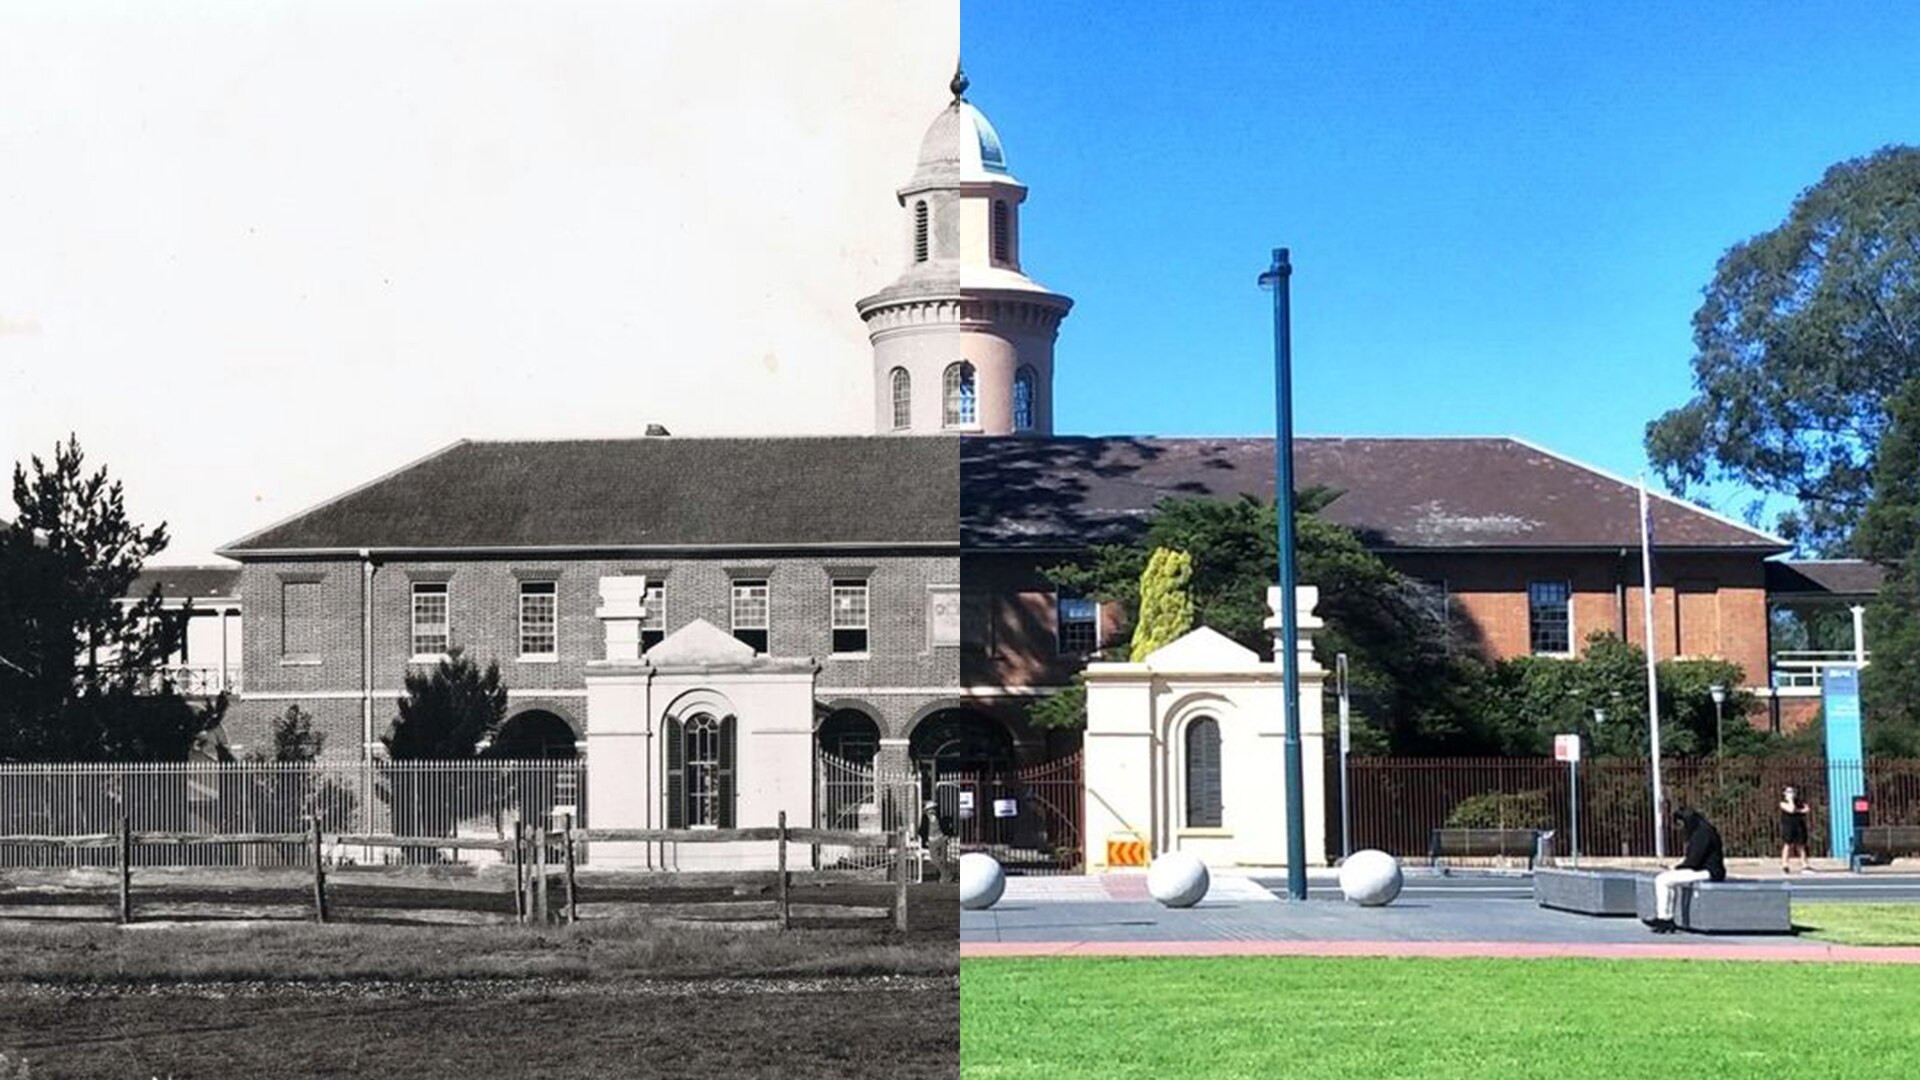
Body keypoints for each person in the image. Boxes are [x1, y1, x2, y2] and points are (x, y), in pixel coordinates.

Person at [1647, 808, 1725, 933]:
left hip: (1709, 872)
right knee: (1667, 880)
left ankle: (1665, 918)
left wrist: (1675, 868)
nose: (1680, 828)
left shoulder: (1702, 834)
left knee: (1662, 879)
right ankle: (1665, 918)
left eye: (1680, 823)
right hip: (1702, 870)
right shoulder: (1700, 831)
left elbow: (1693, 861)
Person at [1780, 786, 1813, 874]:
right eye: (1789, 792)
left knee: (1801, 845)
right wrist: (1791, 801)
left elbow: (1806, 809)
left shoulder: (1799, 802)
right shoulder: (1782, 802)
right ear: (1785, 793)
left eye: (1792, 792)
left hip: (1799, 825)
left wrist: (1798, 810)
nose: (1791, 793)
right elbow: (1791, 809)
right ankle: (1785, 865)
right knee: (1787, 845)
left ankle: (1805, 865)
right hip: (1788, 826)